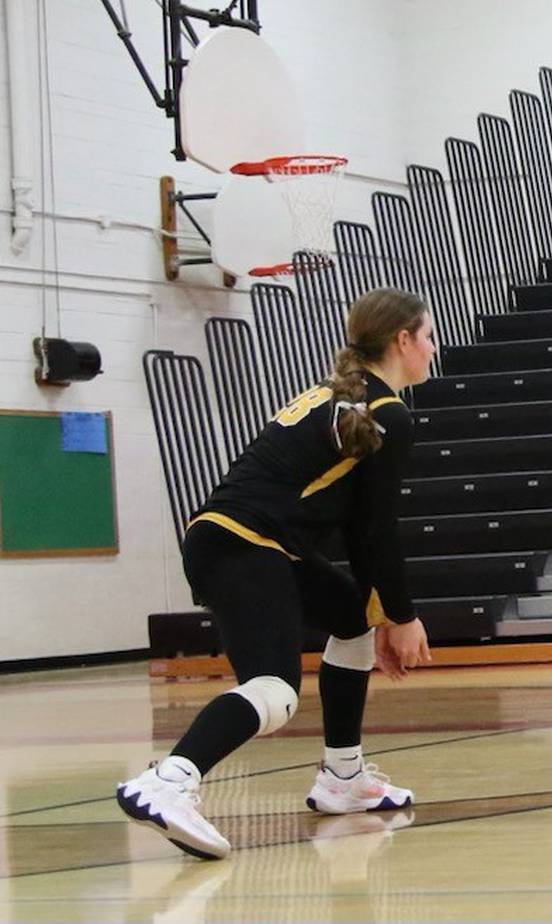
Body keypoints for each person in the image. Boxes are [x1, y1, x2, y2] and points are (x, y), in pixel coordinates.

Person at [116, 288, 437, 860]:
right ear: (402, 340)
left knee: (349, 618)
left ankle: (343, 777)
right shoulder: (387, 413)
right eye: (429, 336)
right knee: (274, 690)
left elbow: (357, 531)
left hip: (239, 538)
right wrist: (404, 615)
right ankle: (169, 781)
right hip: (245, 544)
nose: (433, 350)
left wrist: (377, 613)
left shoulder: (339, 398)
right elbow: (375, 532)